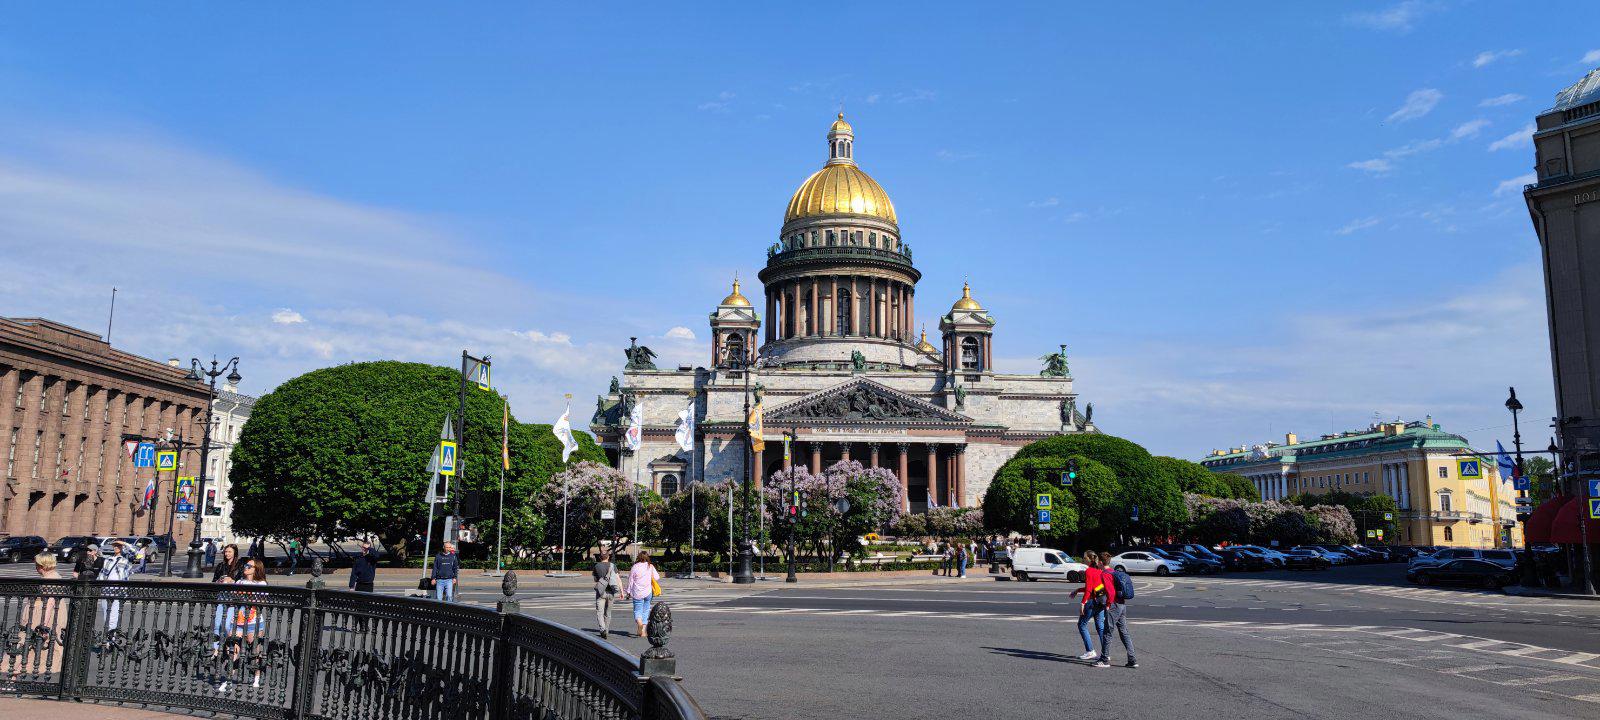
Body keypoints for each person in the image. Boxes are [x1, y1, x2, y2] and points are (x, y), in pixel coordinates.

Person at [219, 559, 268, 692]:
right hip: (238, 621)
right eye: (245, 565)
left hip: (253, 622)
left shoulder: (261, 583)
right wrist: (227, 583)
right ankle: (228, 680)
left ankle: (256, 677)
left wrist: (243, 595)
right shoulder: (240, 581)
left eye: (248, 566)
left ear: (256, 569)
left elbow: (260, 600)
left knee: (255, 651)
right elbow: (232, 597)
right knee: (232, 651)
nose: (245, 568)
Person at [1097, 551, 1138, 668]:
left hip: (1114, 605)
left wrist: (1108, 604)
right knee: (1124, 631)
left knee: (1107, 632)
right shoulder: (1113, 571)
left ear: (1100, 562)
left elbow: (1110, 591)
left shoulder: (1105, 574)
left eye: (1098, 562)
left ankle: (1104, 659)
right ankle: (1132, 659)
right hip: (1122, 604)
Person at [1069, 552, 1112, 662]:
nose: (1083, 560)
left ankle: (1090, 651)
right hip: (1101, 600)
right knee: (1100, 626)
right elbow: (1095, 587)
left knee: (1082, 624)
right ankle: (1105, 654)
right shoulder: (1099, 570)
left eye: (1084, 558)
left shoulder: (1089, 571)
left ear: (1090, 559)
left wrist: (1083, 603)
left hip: (1092, 601)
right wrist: (1078, 590)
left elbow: (1089, 589)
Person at [211, 543, 244, 647]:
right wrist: (219, 581)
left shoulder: (240, 565)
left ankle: (228, 645)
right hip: (221, 595)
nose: (227, 554)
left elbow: (243, 582)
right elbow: (213, 581)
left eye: (229, 551)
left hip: (233, 598)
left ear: (235, 553)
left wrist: (233, 581)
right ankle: (215, 649)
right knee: (216, 624)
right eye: (225, 551)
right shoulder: (221, 565)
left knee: (226, 625)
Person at [98, 540, 133, 631]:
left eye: (118, 546)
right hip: (106, 589)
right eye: (114, 546)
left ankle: (111, 638)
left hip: (118, 590)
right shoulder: (108, 559)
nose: (116, 547)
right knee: (106, 614)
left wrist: (124, 543)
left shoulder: (126, 560)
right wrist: (99, 586)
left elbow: (137, 553)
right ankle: (107, 637)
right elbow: (102, 575)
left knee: (113, 615)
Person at [625, 550, 661, 639]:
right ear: (647, 558)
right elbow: (657, 577)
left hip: (637, 592)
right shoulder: (650, 566)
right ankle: (643, 632)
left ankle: (639, 624)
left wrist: (628, 591)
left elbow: (630, 581)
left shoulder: (635, 567)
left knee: (637, 610)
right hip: (648, 592)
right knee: (646, 610)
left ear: (639, 557)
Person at [592, 551, 621, 639]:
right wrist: (622, 591)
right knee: (608, 613)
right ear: (608, 557)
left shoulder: (596, 566)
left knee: (599, 612)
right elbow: (618, 579)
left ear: (600, 557)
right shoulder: (613, 566)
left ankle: (602, 629)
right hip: (611, 592)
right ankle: (606, 631)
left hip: (601, 592)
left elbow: (595, 580)